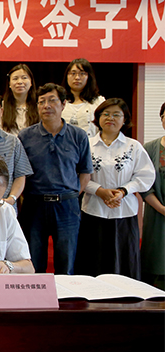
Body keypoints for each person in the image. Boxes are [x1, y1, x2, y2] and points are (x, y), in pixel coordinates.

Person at [76, 98, 155, 278]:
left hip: (124, 211)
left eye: (116, 115)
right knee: (93, 261)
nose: (110, 118)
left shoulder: (133, 146)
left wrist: (123, 191)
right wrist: (99, 191)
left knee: (124, 262)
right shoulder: (86, 145)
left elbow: (145, 176)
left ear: (125, 119)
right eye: (106, 114)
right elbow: (76, 175)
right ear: (98, 118)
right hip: (93, 210)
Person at [18, 83, 92, 275]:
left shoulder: (78, 135)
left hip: (67, 206)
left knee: (66, 263)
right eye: (41, 102)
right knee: (34, 263)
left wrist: (72, 195)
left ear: (63, 104)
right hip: (34, 206)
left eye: (52, 101)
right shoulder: (25, 136)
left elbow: (85, 172)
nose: (46, 106)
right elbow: (20, 173)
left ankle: (64, 295)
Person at [142, 102, 165, 289]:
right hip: (157, 212)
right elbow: (144, 184)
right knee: (156, 257)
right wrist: (162, 208)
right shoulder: (149, 148)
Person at [61, 58, 105, 138]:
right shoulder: (59, 101)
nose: (77, 77)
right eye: (73, 73)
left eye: (82, 73)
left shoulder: (99, 102)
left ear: (89, 77)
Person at [1, 64, 39, 135]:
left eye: (24, 78)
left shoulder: (39, 105)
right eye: (15, 79)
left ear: (31, 82)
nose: (20, 82)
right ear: (9, 84)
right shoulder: (1, 106)